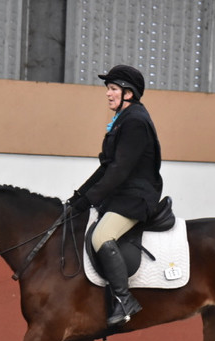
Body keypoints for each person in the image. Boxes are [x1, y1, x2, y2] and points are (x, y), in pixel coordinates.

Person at [67, 64, 163, 327]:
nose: (108, 94)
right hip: (122, 195)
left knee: (101, 236)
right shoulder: (125, 119)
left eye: (113, 89)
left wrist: (88, 200)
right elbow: (106, 167)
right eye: (108, 89)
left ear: (128, 93)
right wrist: (77, 198)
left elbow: (119, 171)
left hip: (135, 198)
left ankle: (124, 299)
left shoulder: (134, 121)